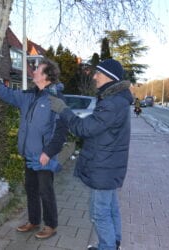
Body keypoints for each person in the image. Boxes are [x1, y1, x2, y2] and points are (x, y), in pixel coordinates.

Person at [48, 59, 133, 250]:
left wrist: (63, 109)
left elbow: (84, 129)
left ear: (109, 78)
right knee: (111, 208)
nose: (94, 77)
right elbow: (98, 127)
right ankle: (113, 242)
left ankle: (107, 246)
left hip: (104, 166)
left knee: (99, 212)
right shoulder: (116, 100)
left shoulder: (112, 103)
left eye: (98, 74)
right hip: (110, 165)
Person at [0, 58, 68, 239]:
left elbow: (61, 131)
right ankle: (34, 220)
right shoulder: (29, 96)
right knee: (31, 189)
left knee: (46, 191)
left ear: (46, 76)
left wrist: (49, 153)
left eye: (38, 70)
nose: (34, 72)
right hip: (30, 155)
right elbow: (6, 93)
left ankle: (51, 225)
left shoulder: (56, 99)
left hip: (44, 156)